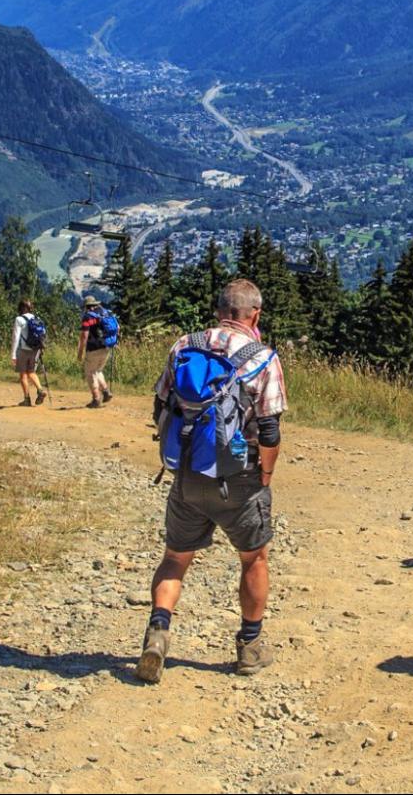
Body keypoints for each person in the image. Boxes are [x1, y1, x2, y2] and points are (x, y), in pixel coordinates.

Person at [137, 278, 287, 684]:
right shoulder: (263, 357)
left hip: (187, 472)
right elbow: (269, 431)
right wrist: (265, 477)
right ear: (254, 314)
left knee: (175, 558)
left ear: (218, 309)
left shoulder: (184, 345)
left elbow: (161, 405)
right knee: (253, 558)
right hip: (239, 477)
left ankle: (157, 634)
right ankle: (249, 648)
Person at [78, 295, 116, 409]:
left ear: (86, 306)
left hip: (94, 347)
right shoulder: (105, 312)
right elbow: (117, 328)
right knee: (97, 370)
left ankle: (96, 399)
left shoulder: (87, 316)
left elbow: (84, 336)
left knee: (90, 373)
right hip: (107, 346)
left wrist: (80, 351)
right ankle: (106, 391)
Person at [10, 299, 48, 407]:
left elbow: (16, 337)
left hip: (23, 350)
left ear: (22, 308)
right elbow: (43, 335)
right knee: (31, 372)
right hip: (35, 349)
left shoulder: (19, 319)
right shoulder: (37, 318)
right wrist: (41, 349)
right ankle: (40, 390)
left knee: (23, 374)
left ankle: (27, 399)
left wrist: (13, 354)